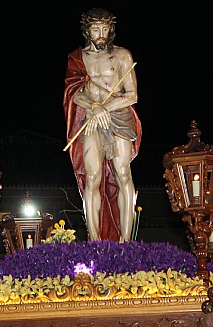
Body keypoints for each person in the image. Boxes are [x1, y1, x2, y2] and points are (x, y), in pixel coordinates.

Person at [64, 7, 142, 243]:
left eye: (105, 29)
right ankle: (94, 240)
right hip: (91, 119)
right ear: (87, 30)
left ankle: (126, 241)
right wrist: (95, 108)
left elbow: (132, 95)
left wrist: (105, 108)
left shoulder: (122, 56)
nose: (101, 34)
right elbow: (74, 93)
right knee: (93, 175)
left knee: (123, 173)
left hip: (118, 115)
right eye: (96, 29)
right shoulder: (78, 58)